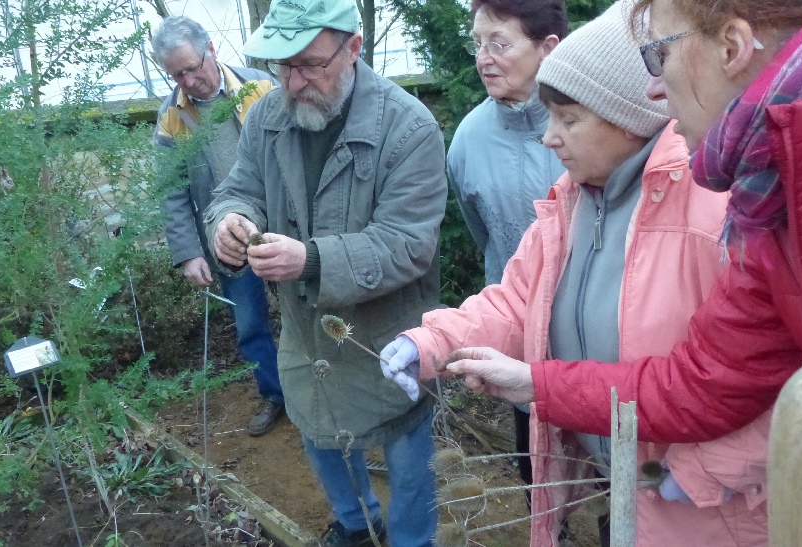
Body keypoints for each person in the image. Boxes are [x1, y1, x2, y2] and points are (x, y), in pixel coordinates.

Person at [381, 2, 771, 545]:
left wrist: (702, 473)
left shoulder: (716, 210)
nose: (549, 138)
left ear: (627, 117)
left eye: (569, 119)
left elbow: (777, 373)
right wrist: (430, 341)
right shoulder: (571, 202)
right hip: (620, 477)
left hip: (711, 511)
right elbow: (517, 300)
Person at [433, 0, 802, 479]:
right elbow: (708, 379)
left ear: (731, 46)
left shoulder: (738, 205)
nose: (653, 91)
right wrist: (533, 382)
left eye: (659, 57)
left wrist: (702, 476)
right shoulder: (770, 199)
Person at [204, 0, 448, 544]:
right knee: (318, 429)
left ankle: (411, 539)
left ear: (354, 48)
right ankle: (357, 522)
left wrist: (311, 259)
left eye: (310, 64)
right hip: (305, 332)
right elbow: (239, 187)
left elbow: (410, 245)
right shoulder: (267, 116)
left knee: (408, 460)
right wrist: (231, 220)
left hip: (390, 340)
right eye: (281, 67)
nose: (293, 82)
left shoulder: (409, 127)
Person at [447, 0, 566, 508]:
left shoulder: (600, 125)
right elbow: (486, 235)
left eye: (500, 42)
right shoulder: (467, 141)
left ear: (547, 47)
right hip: (520, 334)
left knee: (607, 461)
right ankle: (550, 528)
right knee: (534, 460)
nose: (484, 57)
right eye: (478, 43)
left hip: (597, 333)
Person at [151, 16, 286, 437]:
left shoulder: (261, 87)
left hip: (284, 226)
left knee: (309, 310)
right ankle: (277, 396)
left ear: (211, 49)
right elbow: (171, 191)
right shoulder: (172, 117)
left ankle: (326, 390)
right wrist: (189, 252)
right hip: (224, 239)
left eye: (192, 67)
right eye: (177, 74)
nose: (188, 81)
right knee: (249, 326)